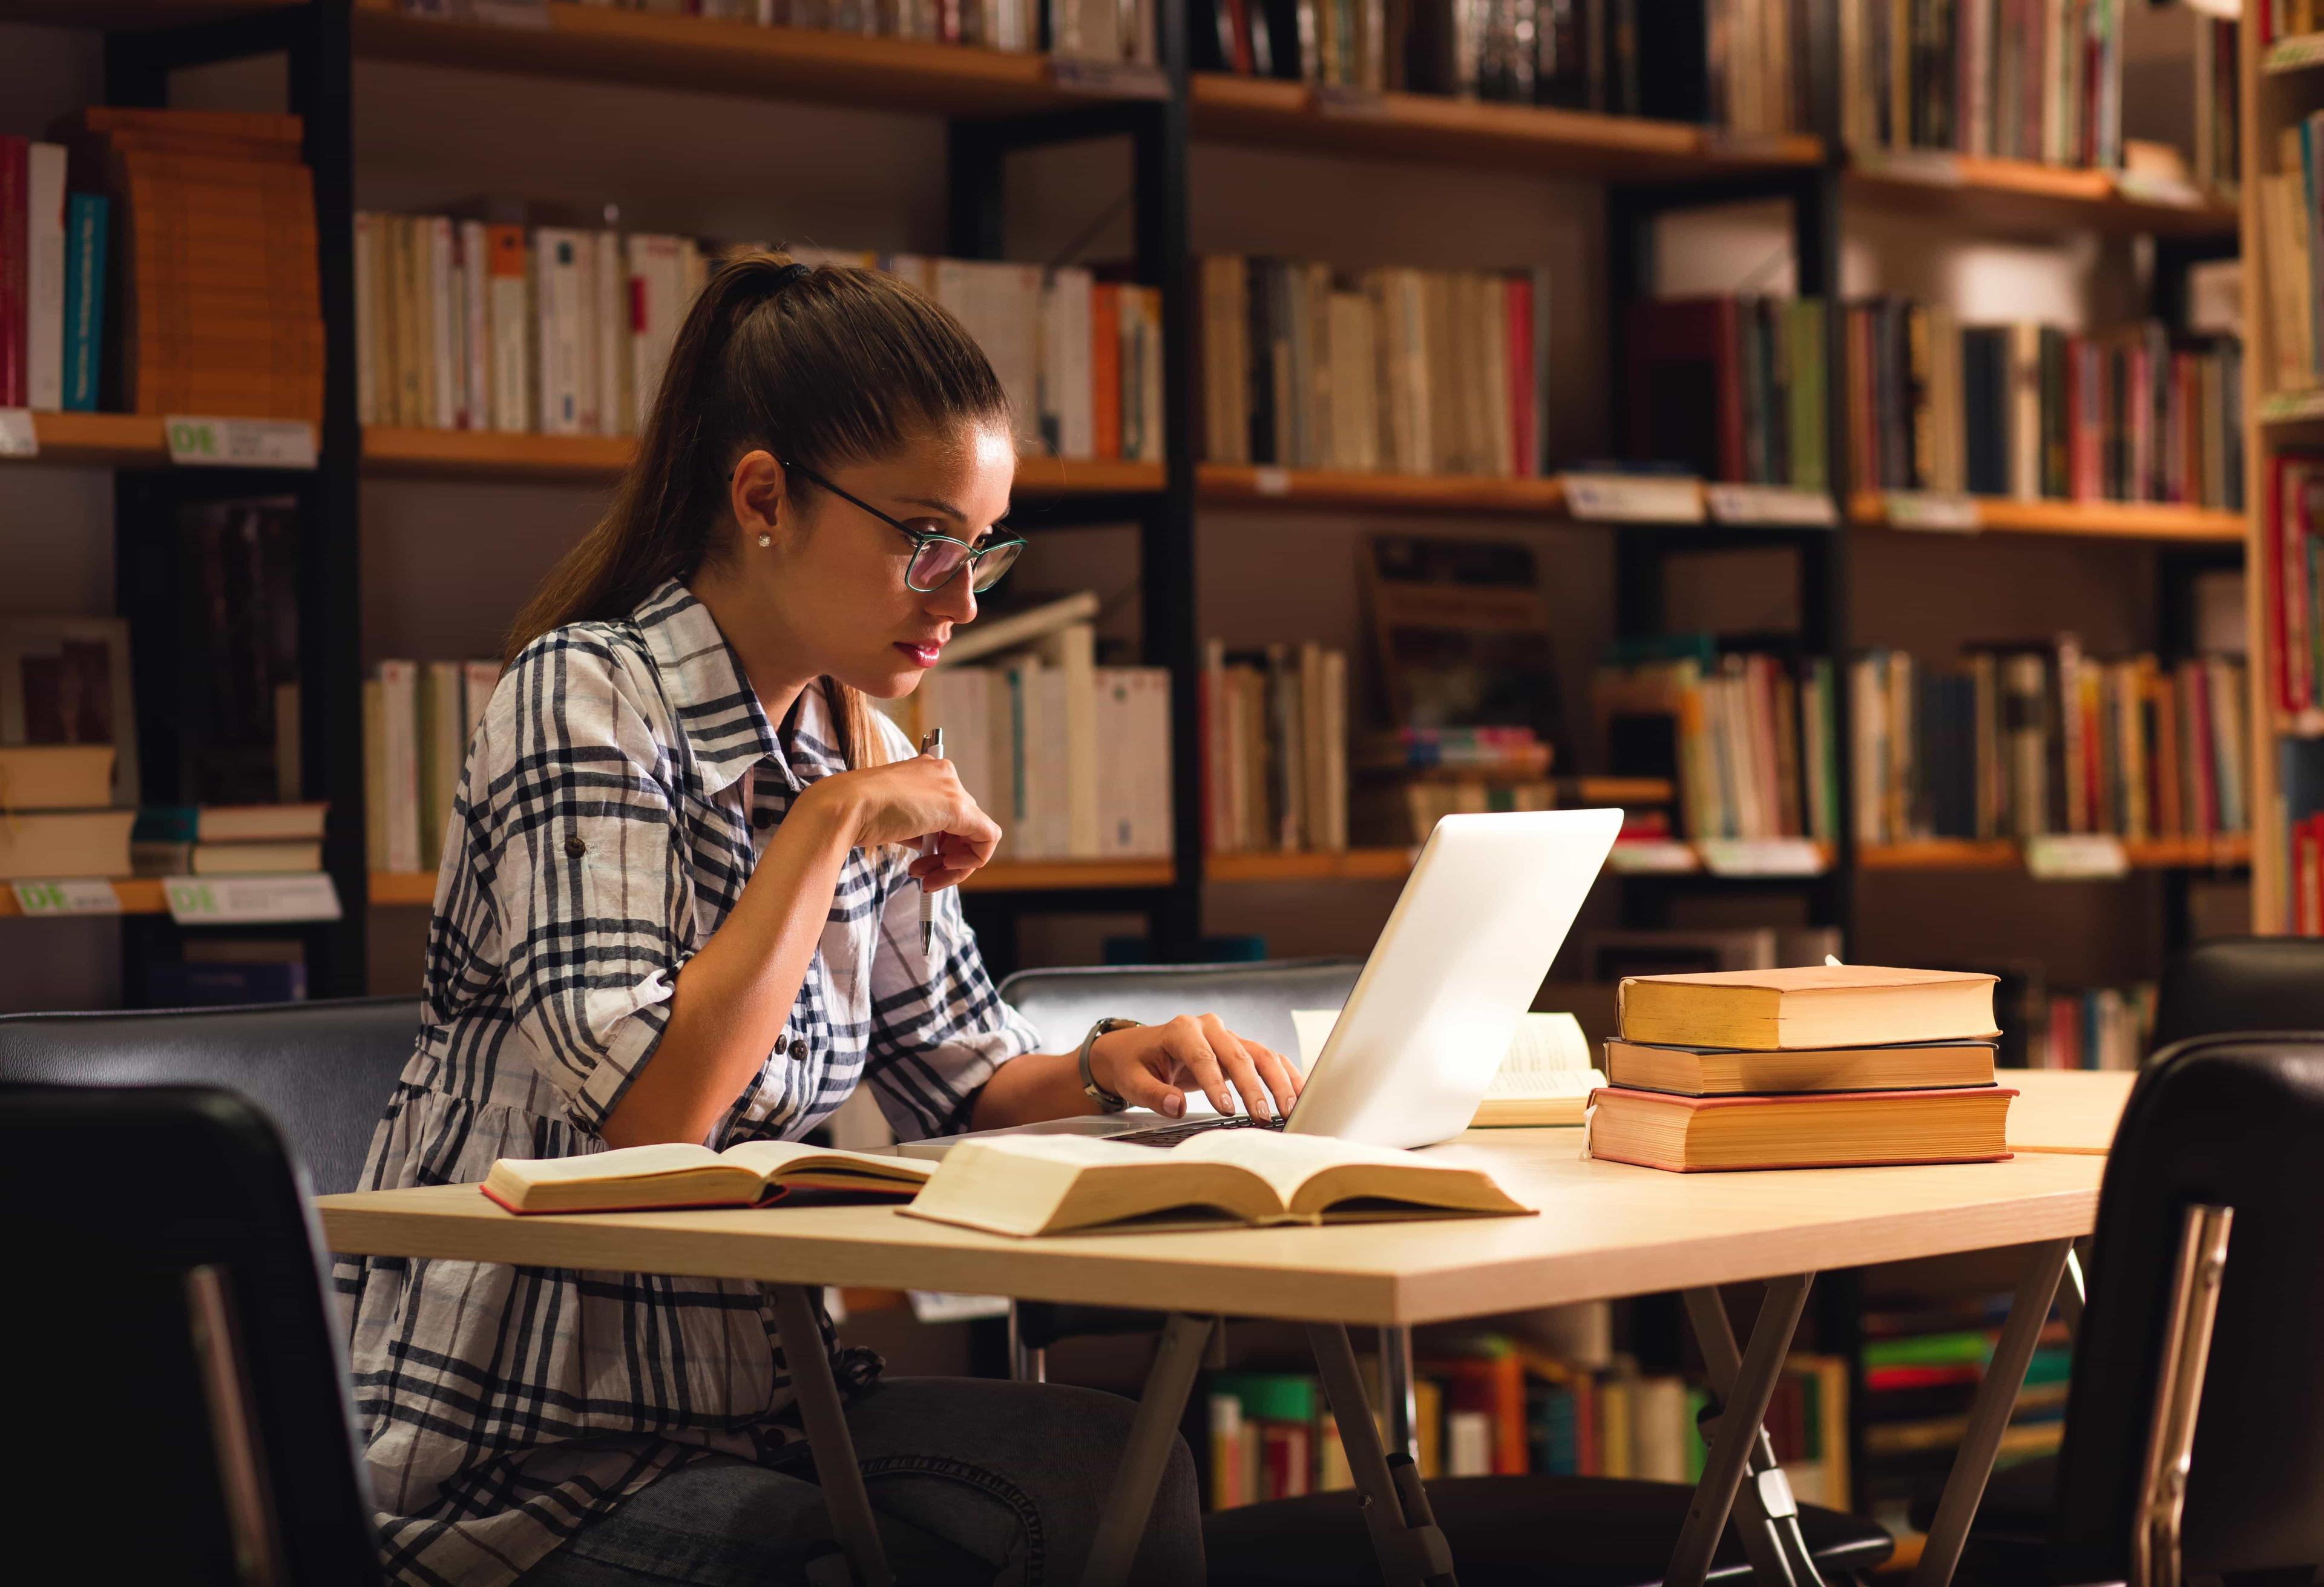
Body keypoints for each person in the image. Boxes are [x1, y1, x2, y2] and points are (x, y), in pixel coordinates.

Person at [335, 253, 1304, 1587]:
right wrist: (832, 825)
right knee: (810, 1557)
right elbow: (649, 1113)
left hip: (762, 1404)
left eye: (985, 550)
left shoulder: (853, 729)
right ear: (763, 498)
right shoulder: (584, 696)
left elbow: (955, 1077)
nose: (961, 602)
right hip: (522, 1446)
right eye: (926, 543)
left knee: (1112, 1476)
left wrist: (1105, 1065)